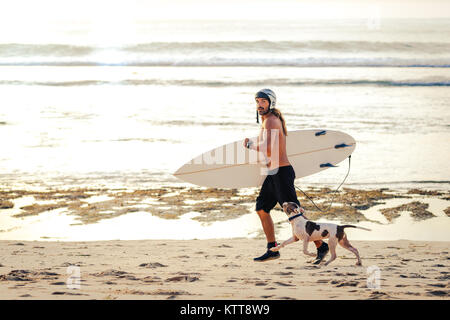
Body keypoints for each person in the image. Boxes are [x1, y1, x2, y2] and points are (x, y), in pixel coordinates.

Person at [244, 88, 329, 263]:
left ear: (271, 103)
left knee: (296, 215)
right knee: (261, 209)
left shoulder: (271, 121)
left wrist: (251, 145)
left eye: (263, 101)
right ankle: (272, 249)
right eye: (257, 101)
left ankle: (321, 245)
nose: (259, 105)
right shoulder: (268, 120)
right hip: (273, 173)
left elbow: (269, 148)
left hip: (281, 173)